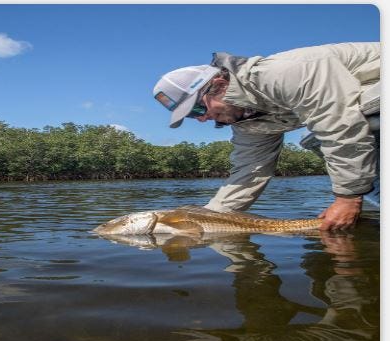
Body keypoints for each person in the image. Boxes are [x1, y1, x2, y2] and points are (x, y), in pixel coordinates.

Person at [153, 42, 380, 231]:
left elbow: (340, 123)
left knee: (343, 126)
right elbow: (248, 174)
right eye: (193, 117)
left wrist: (348, 198)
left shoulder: (283, 73)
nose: (202, 119)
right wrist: (206, 219)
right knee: (314, 140)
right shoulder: (247, 121)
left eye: (197, 110)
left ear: (219, 85)